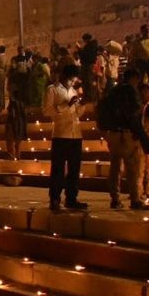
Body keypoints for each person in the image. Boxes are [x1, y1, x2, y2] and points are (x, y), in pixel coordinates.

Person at [99, 68, 149, 209]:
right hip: (127, 134)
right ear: (134, 79)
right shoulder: (130, 91)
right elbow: (134, 113)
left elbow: (100, 109)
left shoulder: (111, 92)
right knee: (133, 168)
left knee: (115, 168)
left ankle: (115, 199)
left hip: (113, 134)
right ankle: (135, 199)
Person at [44, 64, 87, 212]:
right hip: (61, 134)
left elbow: (77, 113)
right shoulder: (53, 89)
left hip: (75, 134)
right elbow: (46, 110)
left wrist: (81, 105)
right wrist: (65, 105)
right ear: (64, 77)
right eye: (71, 79)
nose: (72, 82)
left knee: (74, 169)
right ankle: (55, 199)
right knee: (58, 169)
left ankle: (71, 198)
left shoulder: (73, 90)